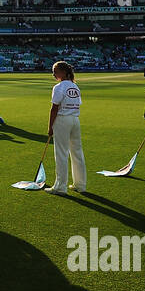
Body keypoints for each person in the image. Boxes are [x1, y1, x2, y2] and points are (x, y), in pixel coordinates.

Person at [46, 61, 85, 196]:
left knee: (61, 153)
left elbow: (54, 108)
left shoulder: (59, 87)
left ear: (63, 72)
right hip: (75, 120)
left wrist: (50, 127)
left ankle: (60, 186)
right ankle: (80, 185)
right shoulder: (75, 86)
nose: (53, 74)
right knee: (77, 152)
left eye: (55, 71)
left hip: (63, 120)